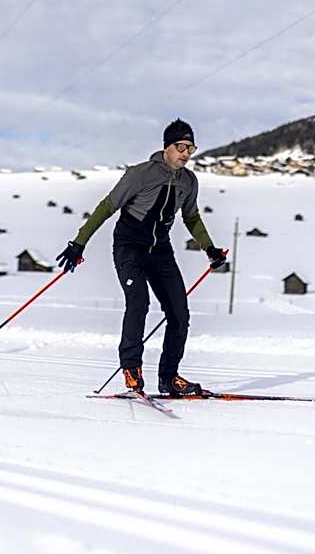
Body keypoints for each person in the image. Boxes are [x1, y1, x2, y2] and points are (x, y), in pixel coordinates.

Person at [56, 119, 226, 396]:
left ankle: (169, 377)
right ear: (166, 147)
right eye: (180, 146)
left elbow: (191, 217)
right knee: (139, 302)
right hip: (129, 247)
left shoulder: (189, 181)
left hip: (161, 251)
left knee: (179, 314)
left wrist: (210, 249)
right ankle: (131, 367)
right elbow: (106, 207)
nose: (185, 153)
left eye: (190, 148)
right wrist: (78, 243)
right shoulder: (140, 174)